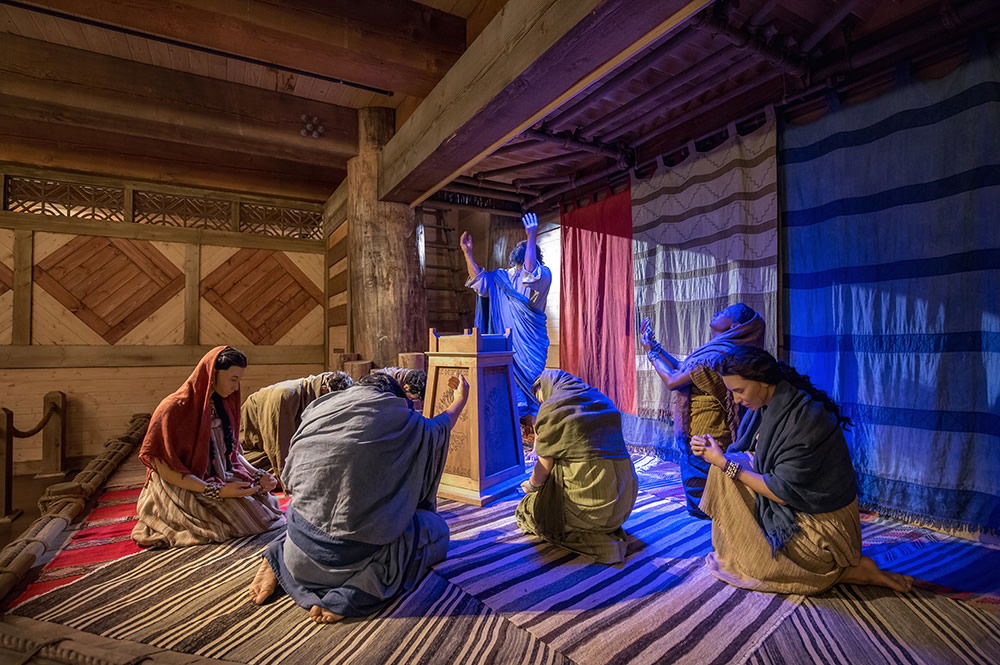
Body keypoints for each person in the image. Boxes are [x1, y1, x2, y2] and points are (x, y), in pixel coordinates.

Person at [248, 372, 470, 623]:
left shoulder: (319, 408)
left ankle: (278, 559)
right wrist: (460, 399)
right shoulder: (405, 421)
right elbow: (440, 427)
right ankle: (351, 594)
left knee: (313, 511)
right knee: (436, 531)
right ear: (396, 398)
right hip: (344, 562)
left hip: (298, 548)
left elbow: (290, 478)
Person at [691, 346, 913, 594]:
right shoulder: (771, 405)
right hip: (800, 507)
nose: (735, 400)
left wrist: (723, 462)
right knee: (726, 469)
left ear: (763, 381)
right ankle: (755, 553)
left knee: (726, 472)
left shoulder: (805, 420)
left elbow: (782, 494)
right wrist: (720, 455)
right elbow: (755, 456)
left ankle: (830, 571)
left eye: (738, 391)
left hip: (824, 533)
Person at [132, 346, 284, 548]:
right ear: (212, 375)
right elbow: (163, 467)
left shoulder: (223, 403)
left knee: (266, 509)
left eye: (239, 379)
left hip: (217, 474)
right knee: (244, 521)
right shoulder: (172, 408)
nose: (236, 386)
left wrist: (258, 474)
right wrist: (216, 490)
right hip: (184, 481)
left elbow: (233, 453)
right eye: (233, 379)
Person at [640, 304, 765, 518]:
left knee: (705, 503)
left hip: (708, 432)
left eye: (725, 312)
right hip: (702, 429)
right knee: (699, 491)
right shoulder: (717, 350)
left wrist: (651, 354)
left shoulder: (720, 355)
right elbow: (683, 368)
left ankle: (724, 525)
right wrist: (657, 348)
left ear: (734, 325)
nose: (718, 311)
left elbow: (673, 380)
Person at [516, 370, 638, 565]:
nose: (541, 403)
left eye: (540, 397)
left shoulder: (554, 407)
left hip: (592, 509)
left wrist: (531, 487)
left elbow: (545, 465)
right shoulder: (601, 399)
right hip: (624, 501)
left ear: (545, 387)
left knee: (529, 509)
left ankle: (591, 531)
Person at [461, 212, 552, 422]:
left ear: (534, 252)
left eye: (527, 244)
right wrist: (467, 253)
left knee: (533, 388)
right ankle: (515, 437)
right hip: (508, 347)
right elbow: (480, 283)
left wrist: (531, 236)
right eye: (521, 243)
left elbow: (530, 272)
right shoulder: (503, 276)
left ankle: (538, 437)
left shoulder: (542, 274)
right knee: (512, 396)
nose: (522, 244)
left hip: (530, 345)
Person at [240, 371, 353, 477]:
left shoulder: (320, 388)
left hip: (287, 448)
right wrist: (290, 485)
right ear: (324, 389)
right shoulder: (285, 396)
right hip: (252, 449)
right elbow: (277, 450)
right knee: (308, 473)